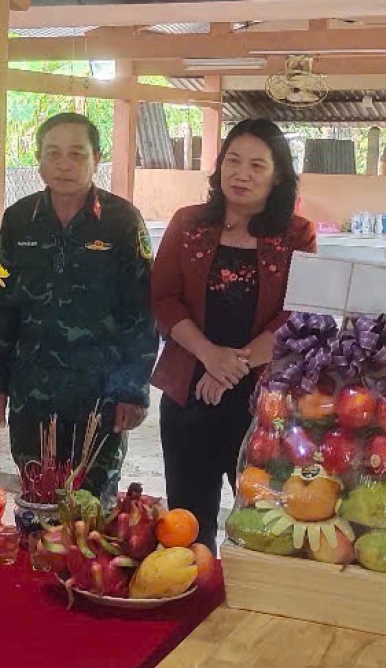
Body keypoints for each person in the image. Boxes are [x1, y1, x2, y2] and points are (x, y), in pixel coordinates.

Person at [150, 118, 317, 547]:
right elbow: (164, 298)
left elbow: (298, 312)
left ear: (277, 175)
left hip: (264, 404)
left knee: (265, 523)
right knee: (187, 524)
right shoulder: (188, 223)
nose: (241, 174)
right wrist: (210, 355)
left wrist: (231, 367)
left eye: (257, 165)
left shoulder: (296, 234)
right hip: (190, 394)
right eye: (233, 161)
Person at [0, 113, 158, 500]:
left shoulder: (122, 221)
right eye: (53, 153)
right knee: (36, 499)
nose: (64, 164)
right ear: (39, 161)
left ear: (96, 158)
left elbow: (142, 311)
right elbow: (0, 306)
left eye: (76, 154)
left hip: (100, 396)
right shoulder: (19, 219)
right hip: (32, 393)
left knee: (92, 507)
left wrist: (133, 389)